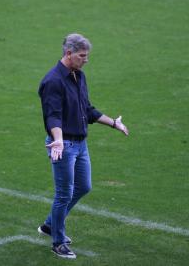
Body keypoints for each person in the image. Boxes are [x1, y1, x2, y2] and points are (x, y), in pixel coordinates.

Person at [37, 33, 129, 259]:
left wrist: (113, 123)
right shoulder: (53, 81)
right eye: (82, 56)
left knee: (84, 186)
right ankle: (58, 242)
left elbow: (86, 109)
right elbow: (53, 116)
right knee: (63, 194)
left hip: (80, 144)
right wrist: (57, 139)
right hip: (63, 145)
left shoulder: (79, 75)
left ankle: (50, 224)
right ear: (68, 54)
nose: (86, 60)